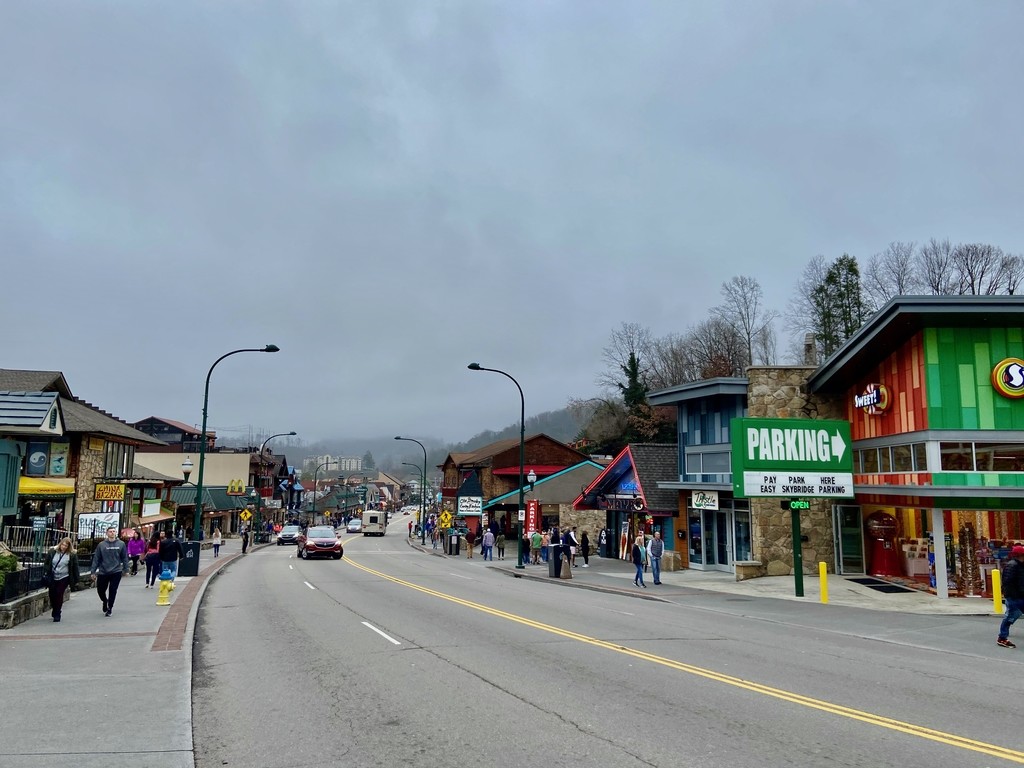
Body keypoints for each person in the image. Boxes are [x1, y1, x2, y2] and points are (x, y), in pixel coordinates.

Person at [91, 527, 129, 616]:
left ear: (116, 533)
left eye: (113, 531)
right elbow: (96, 558)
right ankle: (105, 601)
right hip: (103, 571)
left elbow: (124, 557)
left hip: (116, 571)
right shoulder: (101, 545)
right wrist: (93, 571)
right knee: (100, 590)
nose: (112, 533)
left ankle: (110, 608)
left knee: (113, 589)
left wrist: (126, 569)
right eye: (110, 532)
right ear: (107, 533)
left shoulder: (121, 544)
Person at [44, 536, 80, 622]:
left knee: (59, 594)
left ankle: (57, 613)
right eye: (62, 545)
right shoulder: (52, 551)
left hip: (64, 577)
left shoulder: (71, 555)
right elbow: (47, 563)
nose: (63, 547)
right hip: (53, 576)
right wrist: (46, 572)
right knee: (52, 595)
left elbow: (75, 567)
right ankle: (54, 609)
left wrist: (76, 579)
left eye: (66, 546)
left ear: (69, 547)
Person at [998, 545, 1024, 648]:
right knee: (1010, 616)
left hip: (1020, 596)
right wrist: (1012, 595)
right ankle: (1002, 637)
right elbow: (1007, 582)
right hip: (1015, 597)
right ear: (1020, 555)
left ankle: (1002, 637)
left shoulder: (1021, 565)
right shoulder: (1012, 566)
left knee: (1011, 616)